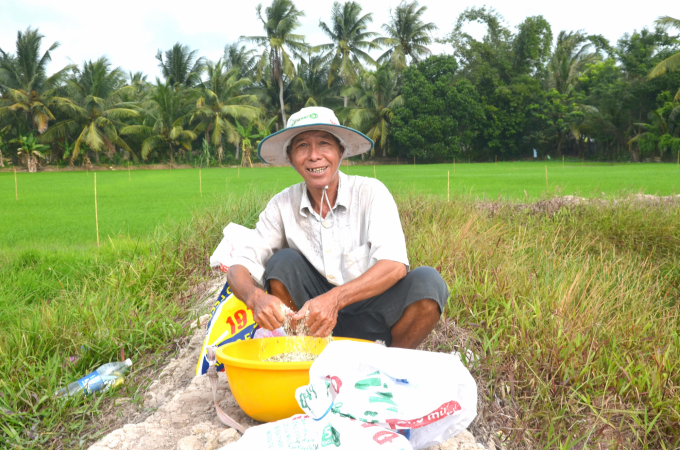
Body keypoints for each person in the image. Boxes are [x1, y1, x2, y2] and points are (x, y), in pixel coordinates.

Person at [226, 107, 448, 348]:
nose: (314, 156)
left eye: (324, 143)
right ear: (290, 157)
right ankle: (302, 354)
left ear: (340, 151)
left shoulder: (371, 193)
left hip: (373, 313)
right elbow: (239, 266)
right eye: (302, 146)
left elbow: (394, 266)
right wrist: (254, 297)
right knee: (283, 263)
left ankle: (387, 364)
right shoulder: (281, 204)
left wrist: (334, 300)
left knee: (429, 283)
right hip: (312, 323)